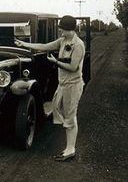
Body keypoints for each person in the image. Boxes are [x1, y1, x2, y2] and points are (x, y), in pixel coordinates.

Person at [15, 15, 85, 162]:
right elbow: (44, 46)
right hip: (63, 84)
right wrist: (24, 44)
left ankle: (70, 149)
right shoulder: (63, 41)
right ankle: (68, 148)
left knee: (70, 117)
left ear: (71, 30)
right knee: (63, 112)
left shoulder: (78, 45)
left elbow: (73, 67)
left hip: (72, 85)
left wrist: (56, 62)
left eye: (63, 30)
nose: (61, 33)